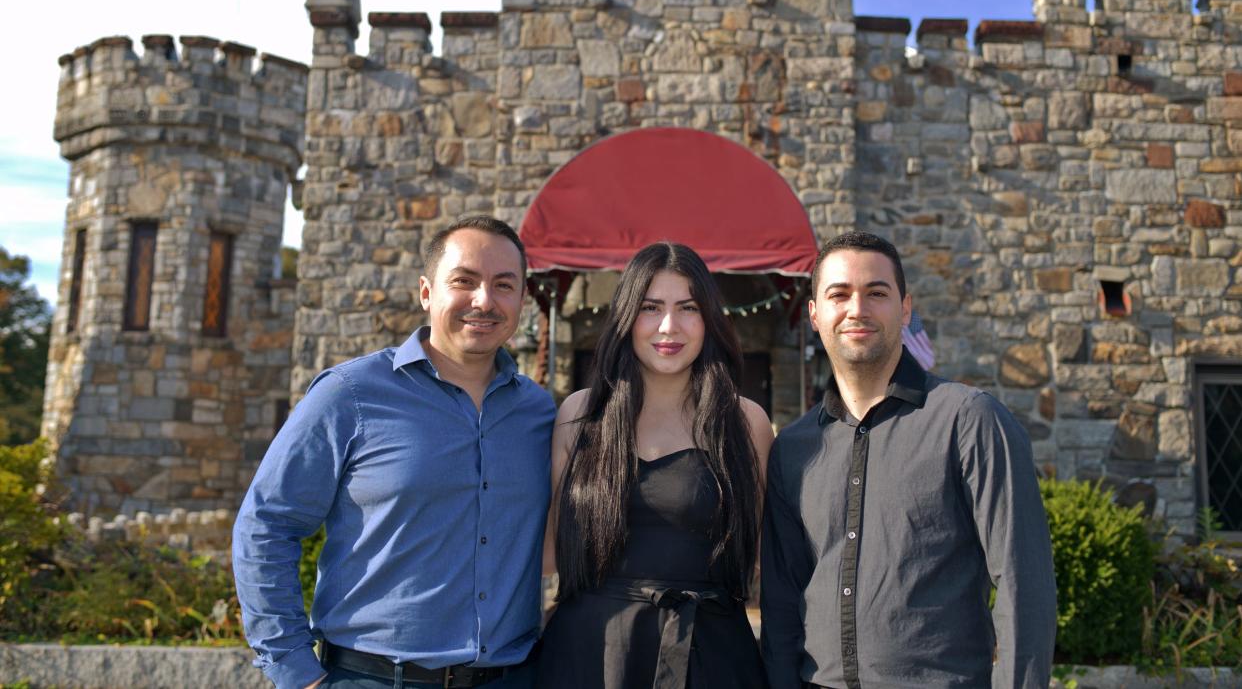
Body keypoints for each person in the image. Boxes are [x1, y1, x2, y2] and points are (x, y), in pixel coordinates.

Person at [233, 216, 555, 689]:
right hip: (373, 678)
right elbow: (267, 524)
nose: (484, 301)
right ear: (427, 292)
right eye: (464, 281)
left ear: (521, 301)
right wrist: (296, 672)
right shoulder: (351, 395)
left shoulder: (539, 413)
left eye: (503, 285)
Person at [761, 231, 1056, 689]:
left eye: (876, 293)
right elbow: (781, 601)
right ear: (815, 315)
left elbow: (1023, 584)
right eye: (839, 294)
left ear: (904, 308)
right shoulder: (793, 448)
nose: (857, 309)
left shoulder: (969, 420)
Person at [536, 242, 774, 689]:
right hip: (590, 654)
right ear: (627, 317)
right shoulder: (579, 415)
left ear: (709, 319)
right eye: (651, 307)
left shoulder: (745, 423)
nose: (669, 326)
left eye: (688, 307)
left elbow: (771, 561)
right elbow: (548, 552)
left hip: (711, 655)